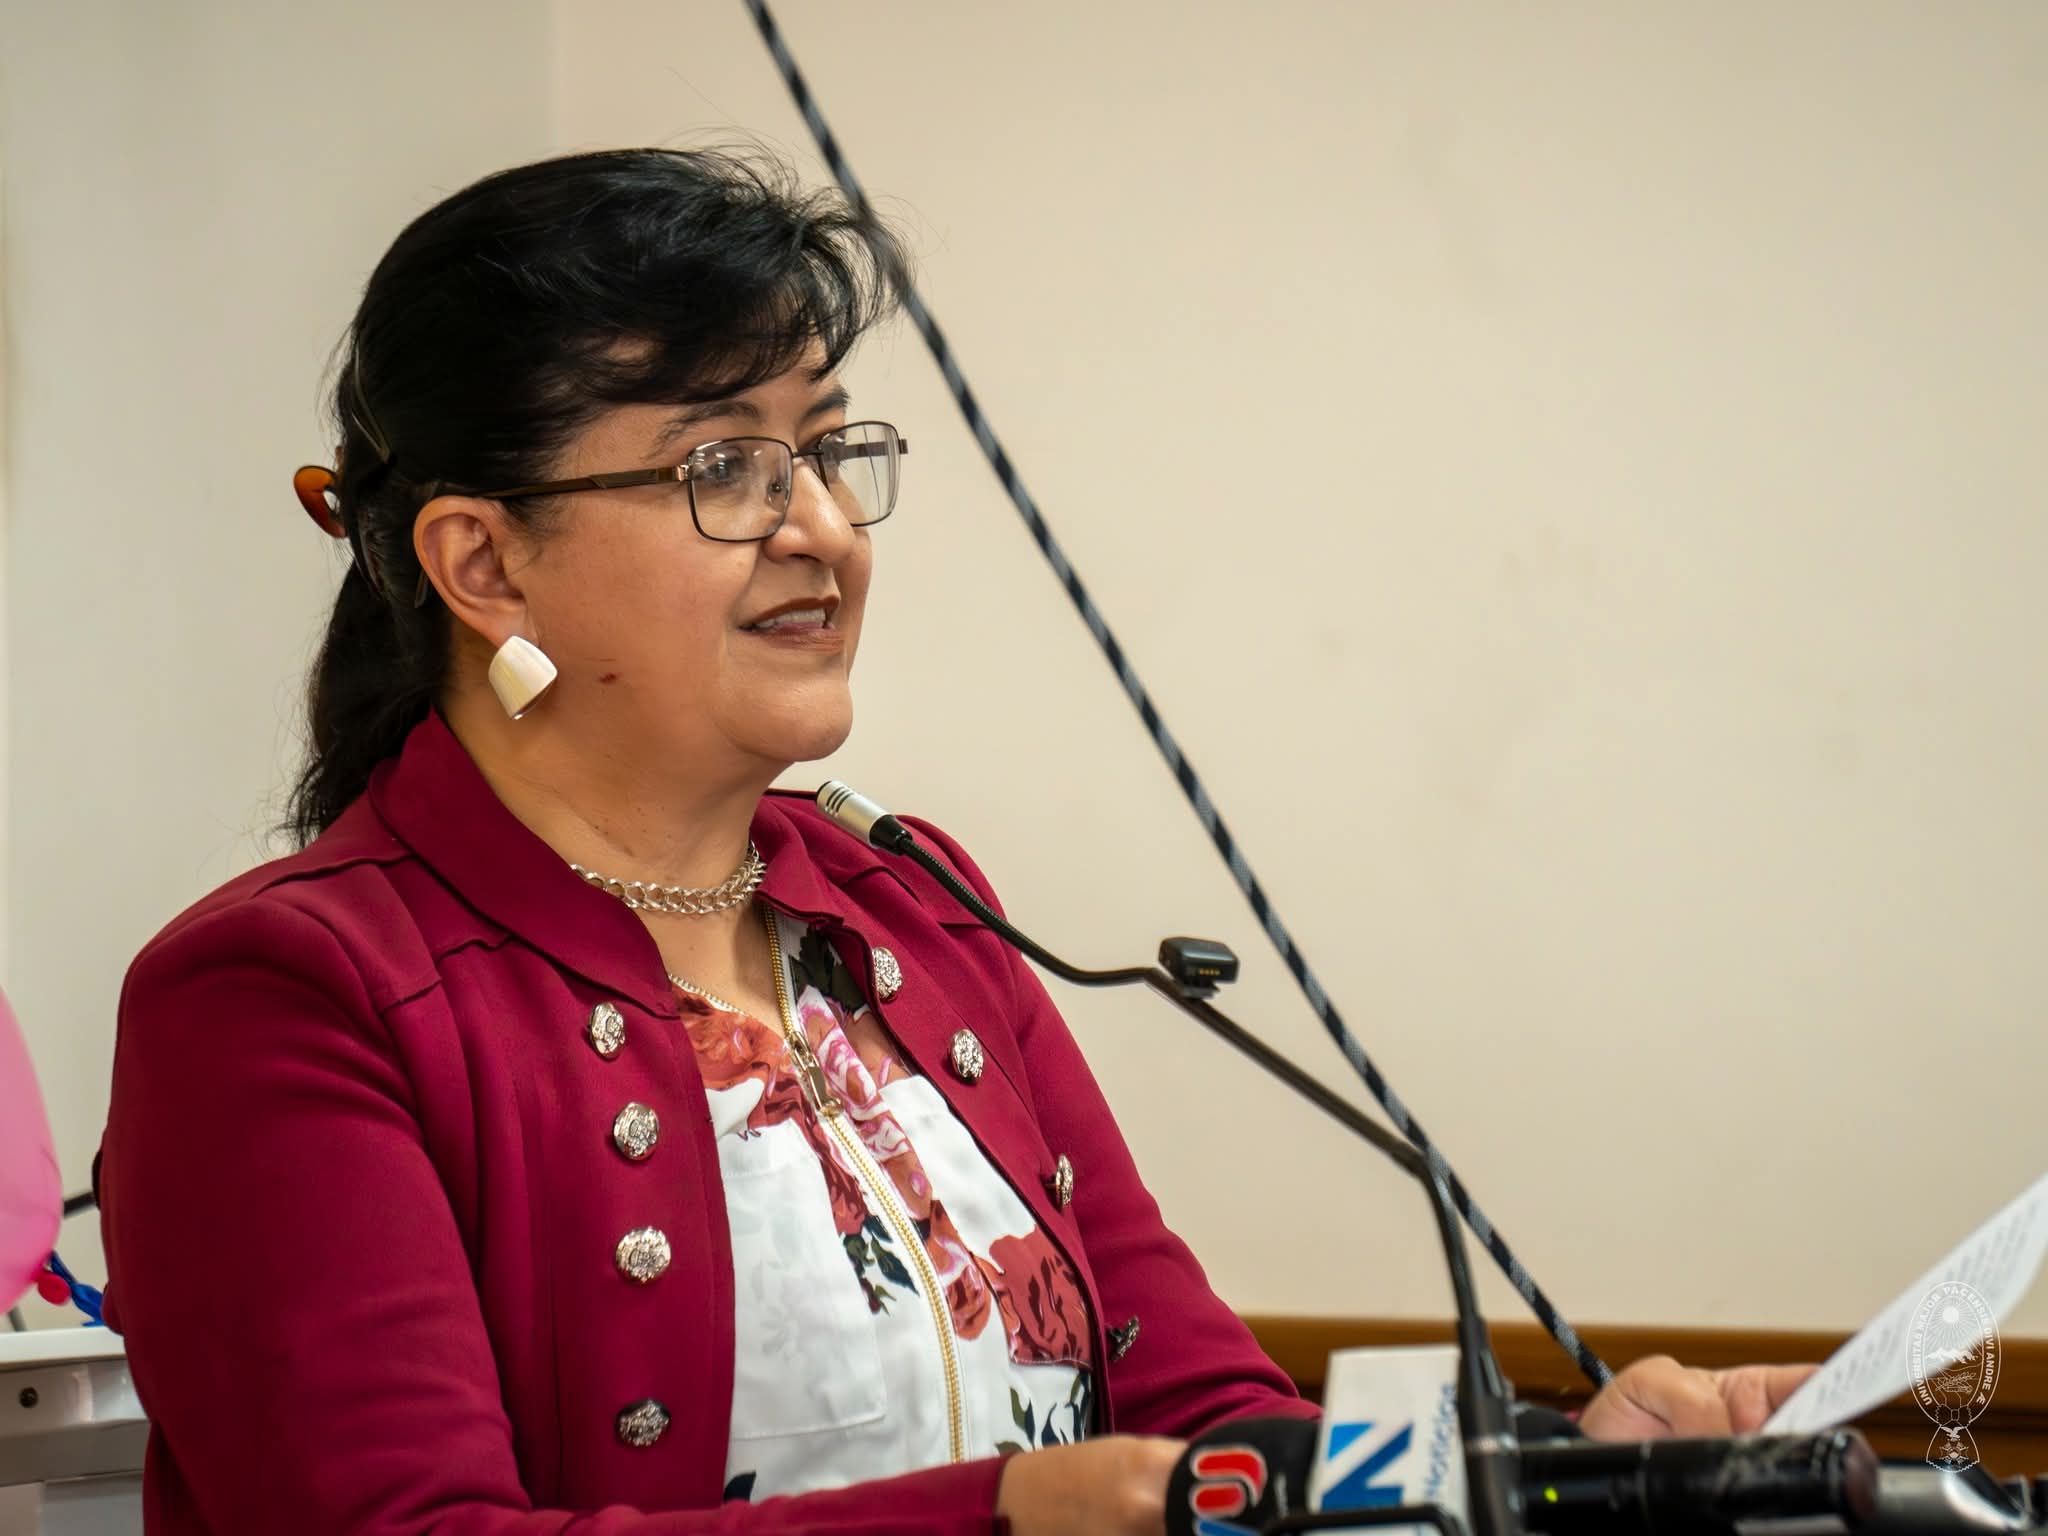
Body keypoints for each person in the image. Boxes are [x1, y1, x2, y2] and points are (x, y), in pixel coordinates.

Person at [96, 148, 1809, 1536]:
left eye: (828, 450)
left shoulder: (908, 904)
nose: (826, 532)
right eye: (726, 467)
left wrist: (1553, 1473)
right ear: (484, 564)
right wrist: (1004, 1520)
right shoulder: (284, 993)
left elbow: (1202, 1412)